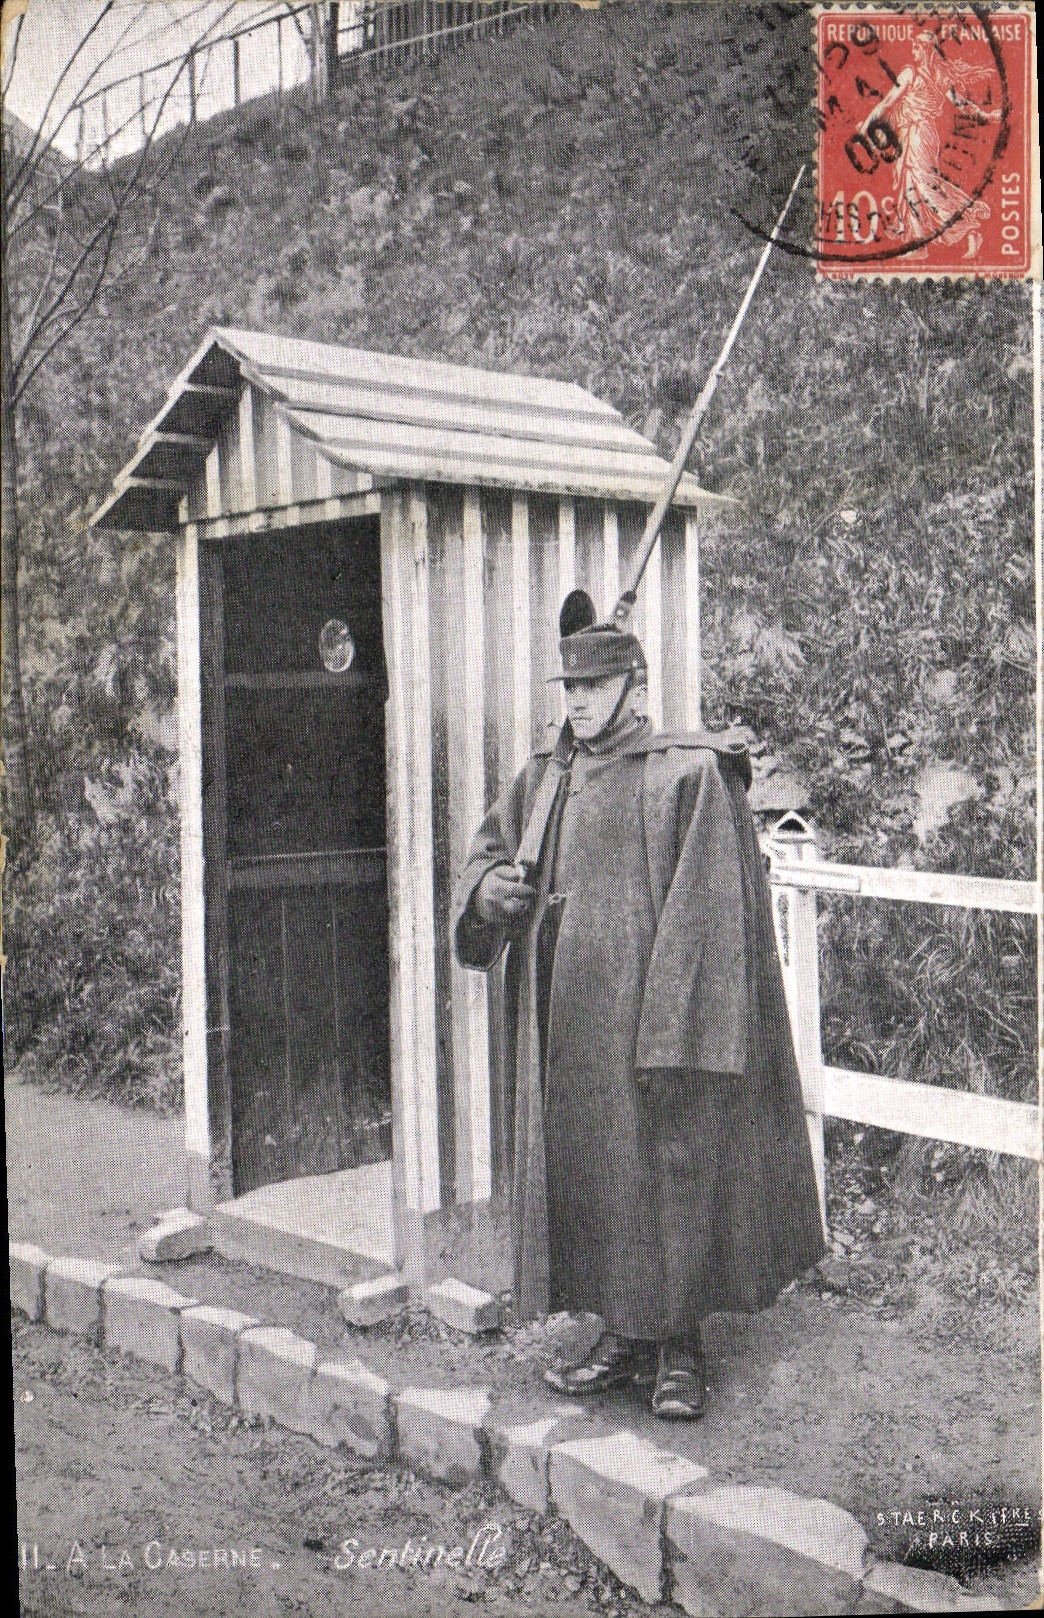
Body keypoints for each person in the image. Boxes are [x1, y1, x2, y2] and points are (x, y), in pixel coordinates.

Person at [452, 604, 824, 1419]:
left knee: (672, 1167)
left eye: (596, 684)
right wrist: (489, 890)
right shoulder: (546, 773)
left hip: (659, 1021)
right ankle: (623, 1335)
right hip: (567, 1021)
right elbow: (487, 851)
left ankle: (680, 1349)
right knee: (597, 1171)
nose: (579, 701)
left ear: (635, 685)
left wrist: (674, 1027)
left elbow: (711, 910)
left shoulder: (686, 774)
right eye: (571, 686)